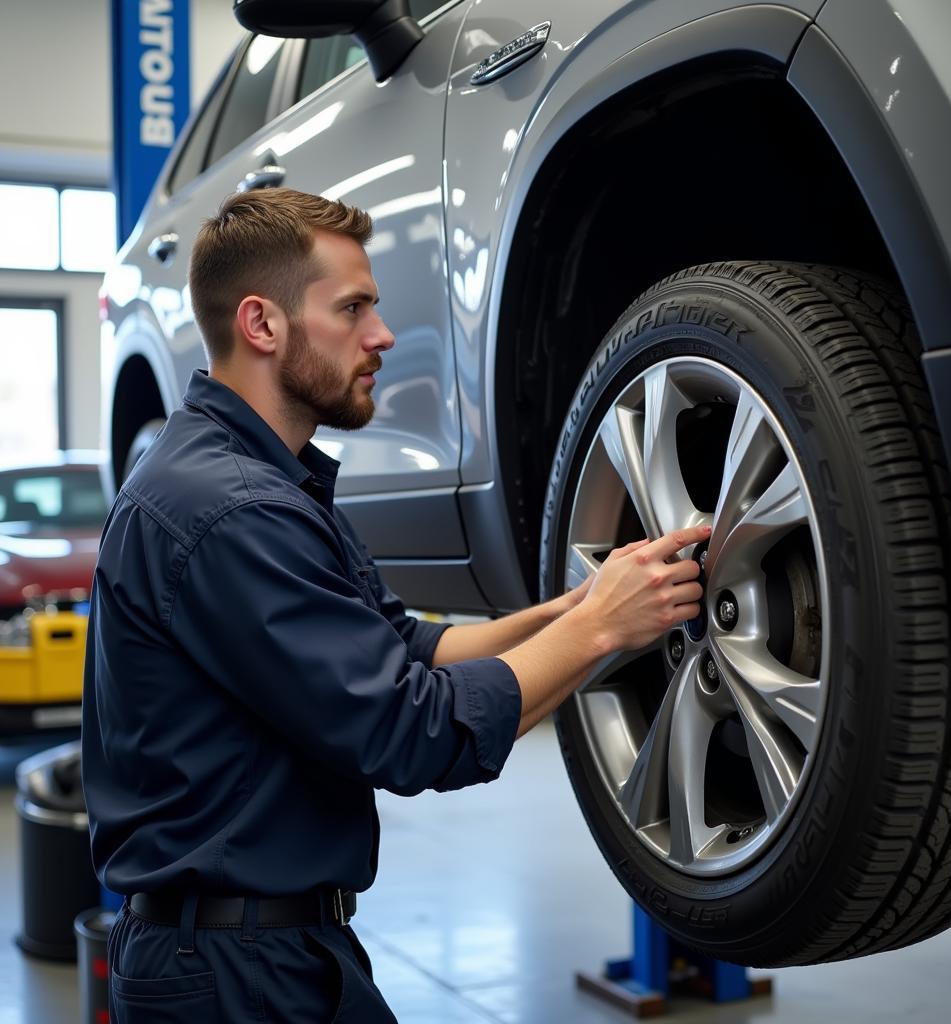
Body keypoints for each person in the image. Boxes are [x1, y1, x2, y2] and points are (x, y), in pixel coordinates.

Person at [81, 188, 709, 1023]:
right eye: (354, 309)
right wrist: (601, 629)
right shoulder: (231, 510)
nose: (382, 337)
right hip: (231, 978)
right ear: (262, 324)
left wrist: (581, 607)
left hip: (273, 950)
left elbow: (406, 648)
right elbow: (409, 732)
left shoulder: (266, 483)